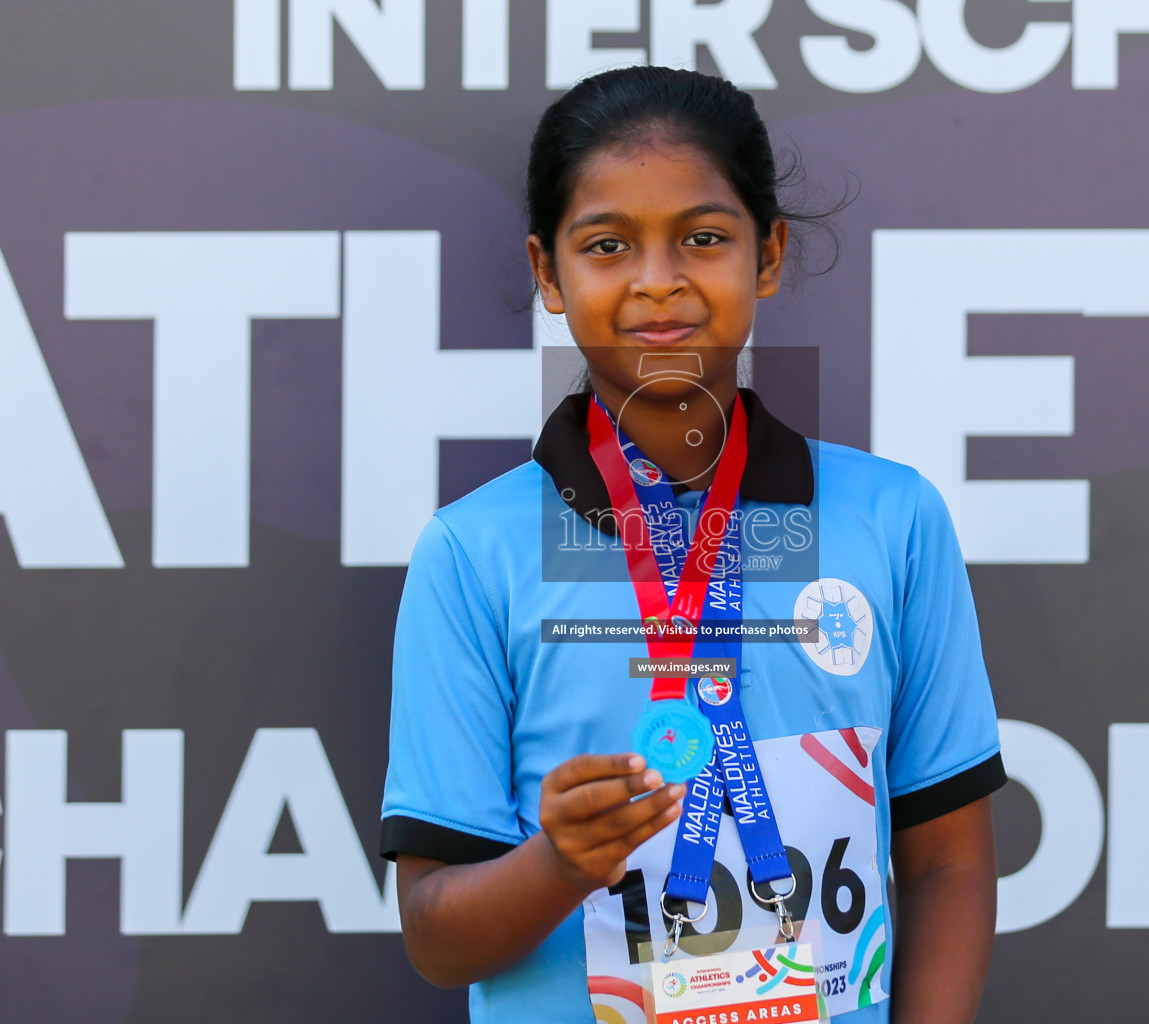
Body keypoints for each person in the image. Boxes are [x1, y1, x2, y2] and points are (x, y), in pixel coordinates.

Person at [381, 66, 1005, 1024]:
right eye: (607, 245)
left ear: (768, 255)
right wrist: (559, 863)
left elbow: (949, 859)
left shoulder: (892, 520)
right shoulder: (476, 554)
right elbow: (433, 936)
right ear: (549, 272)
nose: (658, 279)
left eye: (703, 238)